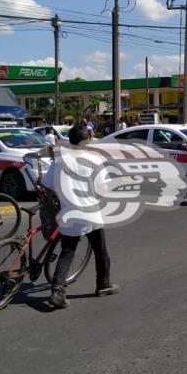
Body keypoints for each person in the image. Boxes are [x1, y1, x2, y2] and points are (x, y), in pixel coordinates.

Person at [41, 124, 119, 309]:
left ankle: (57, 290)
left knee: (67, 252)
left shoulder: (61, 160)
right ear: (89, 140)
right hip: (90, 213)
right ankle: (103, 285)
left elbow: (47, 183)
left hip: (69, 213)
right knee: (100, 250)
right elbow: (103, 189)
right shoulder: (94, 159)